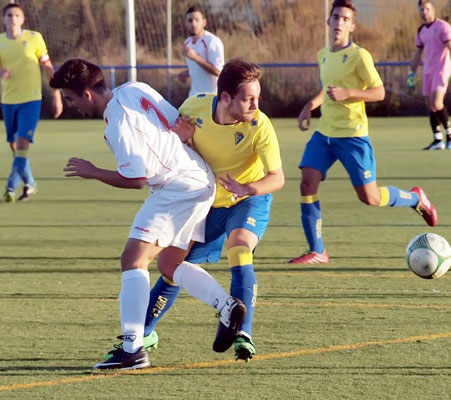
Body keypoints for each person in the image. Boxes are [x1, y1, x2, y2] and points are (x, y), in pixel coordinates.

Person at [49, 58, 246, 370]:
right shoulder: (134, 88)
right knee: (170, 264)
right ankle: (225, 305)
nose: (71, 105)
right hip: (199, 179)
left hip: (176, 188)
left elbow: (136, 179)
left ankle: (133, 348)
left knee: (132, 260)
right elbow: (176, 121)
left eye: (71, 98)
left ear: (87, 94)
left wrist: (93, 171)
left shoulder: (118, 123)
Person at [143, 59, 285, 362]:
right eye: (248, 99)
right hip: (207, 203)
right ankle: (143, 332)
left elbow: (278, 178)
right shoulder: (194, 108)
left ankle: (242, 334)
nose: (255, 105)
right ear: (224, 98)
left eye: (257, 97)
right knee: (174, 269)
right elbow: (173, 152)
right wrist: (184, 140)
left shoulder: (260, 126)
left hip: (247, 199)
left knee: (239, 248)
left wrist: (249, 189)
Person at [288, 0, 438, 265]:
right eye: (336, 17)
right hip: (325, 134)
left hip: (353, 136)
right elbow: (328, 87)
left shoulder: (360, 56)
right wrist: (310, 106)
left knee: (370, 197)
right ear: (328, 21)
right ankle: (318, 250)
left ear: (352, 26)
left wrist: (349, 94)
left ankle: (416, 198)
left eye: (345, 19)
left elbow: (379, 92)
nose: (339, 22)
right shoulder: (323, 55)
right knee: (307, 182)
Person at [0, 3, 63, 202]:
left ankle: (10, 187)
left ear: (23, 19)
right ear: (3, 20)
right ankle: (31, 183)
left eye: (16, 15)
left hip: (31, 100)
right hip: (9, 101)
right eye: (9, 15)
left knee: (22, 143)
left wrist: (56, 95)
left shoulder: (34, 38)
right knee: (14, 146)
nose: (12, 19)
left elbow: (47, 66)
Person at [408, 0, 451, 150]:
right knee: (431, 106)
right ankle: (438, 139)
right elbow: (418, 53)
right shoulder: (421, 31)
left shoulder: (443, 27)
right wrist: (411, 73)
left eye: (427, 8)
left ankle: (450, 135)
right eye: (421, 9)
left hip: (442, 69)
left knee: (437, 102)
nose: (424, 12)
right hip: (428, 71)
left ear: (433, 10)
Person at [178, 5, 225, 97]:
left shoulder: (213, 41)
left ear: (204, 22)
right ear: (186, 24)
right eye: (190, 20)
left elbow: (219, 72)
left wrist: (195, 57)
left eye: (197, 20)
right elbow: (196, 68)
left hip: (211, 98)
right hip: (193, 96)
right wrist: (185, 74)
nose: (193, 24)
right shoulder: (187, 43)